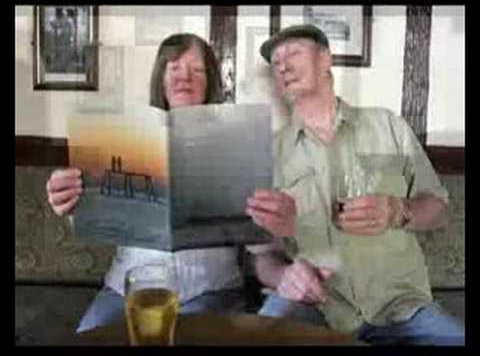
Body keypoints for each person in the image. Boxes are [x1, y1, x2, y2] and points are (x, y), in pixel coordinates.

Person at [246, 24, 465, 345]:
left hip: (401, 307)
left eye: (293, 53)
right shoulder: (269, 154)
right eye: (276, 61)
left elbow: (438, 209)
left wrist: (398, 210)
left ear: (325, 60)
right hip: (315, 307)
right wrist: (283, 276)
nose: (282, 65)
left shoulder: (387, 125)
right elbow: (261, 256)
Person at [46, 33, 247, 333]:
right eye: (174, 68)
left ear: (212, 81)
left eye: (197, 70)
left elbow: (258, 239)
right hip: (129, 289)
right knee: (88, 335)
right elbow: (92, 221)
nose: (184, 78)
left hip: (211, 289)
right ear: (161, 79)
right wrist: (71, 203)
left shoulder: (238, 141)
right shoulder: (124, 137)